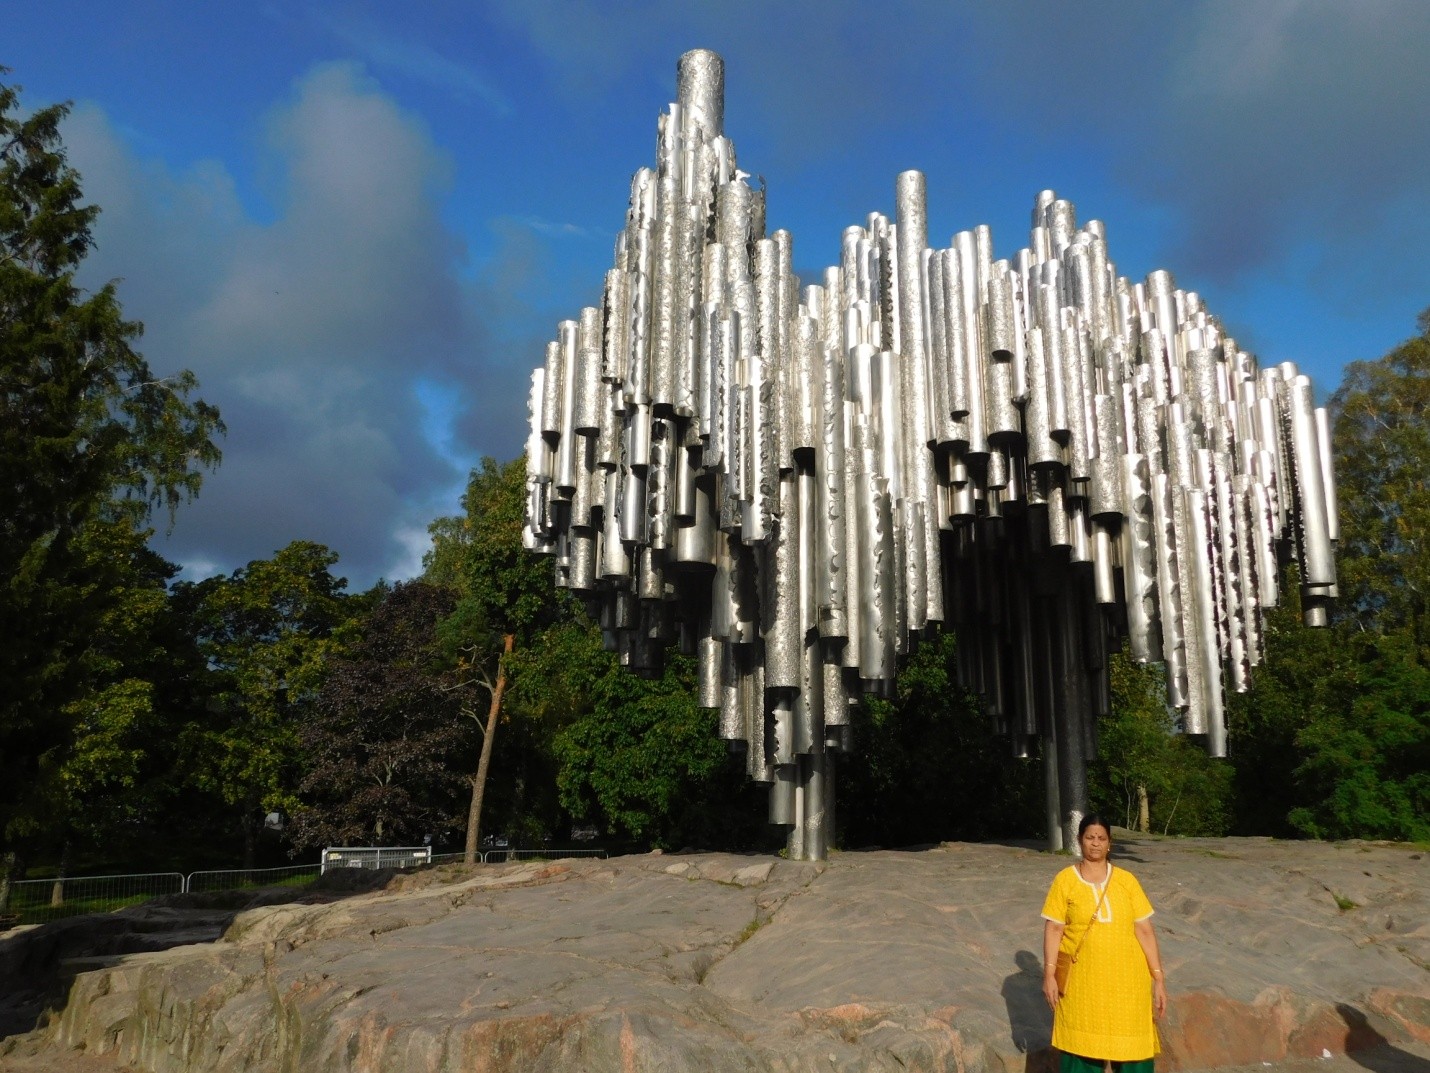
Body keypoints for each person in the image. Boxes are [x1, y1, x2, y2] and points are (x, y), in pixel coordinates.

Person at [1041, 813, 1168, 1073]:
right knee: (1081, 1050)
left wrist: (1158, 978)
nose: (1095, 843)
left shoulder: (1126, 880)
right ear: (1079, 840)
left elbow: (1144, 929)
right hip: (1082, 986)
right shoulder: (1065, 880)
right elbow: (1054, 928)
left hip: (1128, 986)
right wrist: (1049, 974)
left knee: (1133, 1051)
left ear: (1109, 843)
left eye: (1101, 838)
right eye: (1090, 837)